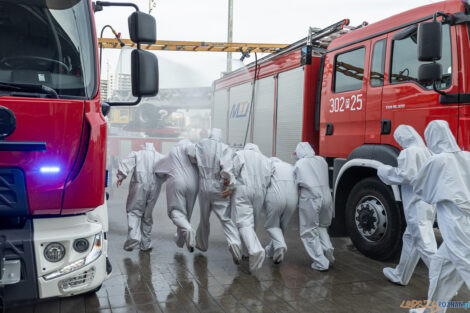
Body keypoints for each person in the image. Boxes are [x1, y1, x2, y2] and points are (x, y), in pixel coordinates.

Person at [409, 120, 470, 313]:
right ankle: (433, 310)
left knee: (466, 262)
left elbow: (420, 187)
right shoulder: (467, 156)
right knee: (441, 265)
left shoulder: (438, 160)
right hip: (465, 217)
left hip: (454, 220)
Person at [377, 125, 437, 286]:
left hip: (415, 205)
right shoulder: (427, 151)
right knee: (410, 239)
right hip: (428, 203)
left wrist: (384, 171)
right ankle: (400, 275)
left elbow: (405, 176)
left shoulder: (409, 152)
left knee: (425, 245)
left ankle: (443, 283)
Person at [189, 128, 242, 264]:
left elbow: (191, 155)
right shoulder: (224, 148)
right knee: (225, 219)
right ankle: (234, 245)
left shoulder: (200, 145)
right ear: (220, 137)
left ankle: (201, 244)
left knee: (204, 218)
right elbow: (227, 169)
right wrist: (230, 185)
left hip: (203, 186)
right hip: (219, 187)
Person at [226, 143, 273, 271]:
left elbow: (233, 172)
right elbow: (268, 179)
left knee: (244, 223)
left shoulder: (240, 154)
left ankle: (255, 250)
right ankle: (246, 253)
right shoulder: (266, 160)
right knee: (253, 223)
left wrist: (229, 189)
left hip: (243, 189)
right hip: (260, 192)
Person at [294, 142, 334, 271]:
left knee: (308, 230)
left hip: (311, 198)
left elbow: (296, 182)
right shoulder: (322, 160)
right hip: (327, 197)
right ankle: (328, 251)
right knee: (322, 226)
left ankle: (320, 262)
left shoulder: (300, 164)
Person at [117, 143, 164, 252]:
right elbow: (166, 170)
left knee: (134, 212)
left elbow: (125, 164)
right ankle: (145, 245)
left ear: (143, 147)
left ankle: (133, 239)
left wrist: (121, 176)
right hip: (154, 188)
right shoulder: (160, 157)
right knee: (147, 216)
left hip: (138, 186)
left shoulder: (137, 154)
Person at [155, 139, 199, 252]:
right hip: (193, 183)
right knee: (185, 215)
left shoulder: (173, 152)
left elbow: (158, 169)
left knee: (176, 212)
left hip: (177, 182)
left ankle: (189, 231)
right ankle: (180, 241)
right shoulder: (193, 150)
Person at [264, 157, 298, 264]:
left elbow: (265, 181)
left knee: (272, 225)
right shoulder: (290, 166)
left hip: (276, 197)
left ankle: (280, 246)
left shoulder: (270, 165)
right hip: (293, 198)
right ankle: (271, 252)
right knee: (281, 227)